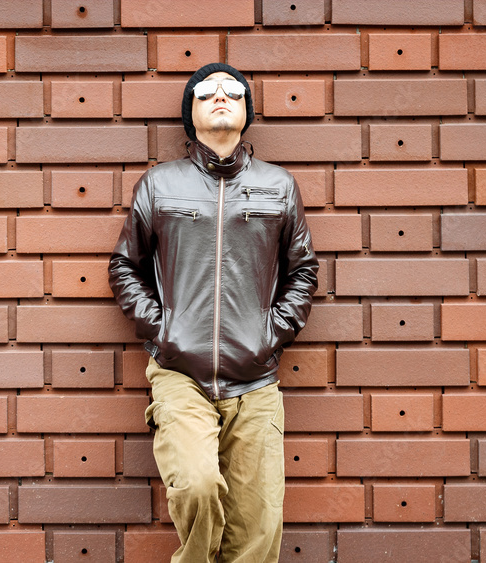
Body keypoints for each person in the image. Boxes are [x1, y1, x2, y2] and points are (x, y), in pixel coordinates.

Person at [108, 62, 318, 562]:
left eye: (232, 91)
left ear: (246, 110)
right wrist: (164, 331)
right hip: (180, 372)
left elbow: (303, 270)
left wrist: (271, 333)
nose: (221, 97)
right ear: (191, 113)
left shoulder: (278, 186)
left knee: (260, 526)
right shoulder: (159, 185)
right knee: (199, 486)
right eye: (207, 93)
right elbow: (124, 266)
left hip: (257, 378)